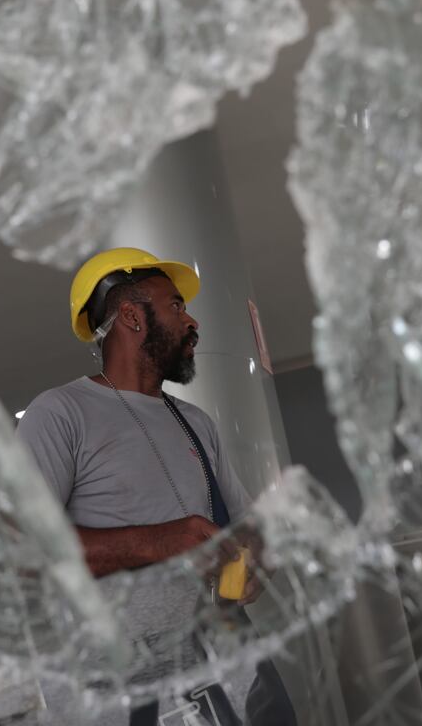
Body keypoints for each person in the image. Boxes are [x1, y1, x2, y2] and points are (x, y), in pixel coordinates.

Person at [18, 247, 285, 725]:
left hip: (227, 667)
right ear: (131, 316)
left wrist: (253, 557)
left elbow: (248, 526)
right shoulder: (59, 414)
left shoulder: (195, 423)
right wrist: (159, 541)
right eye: (177, 306)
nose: (193, 322)